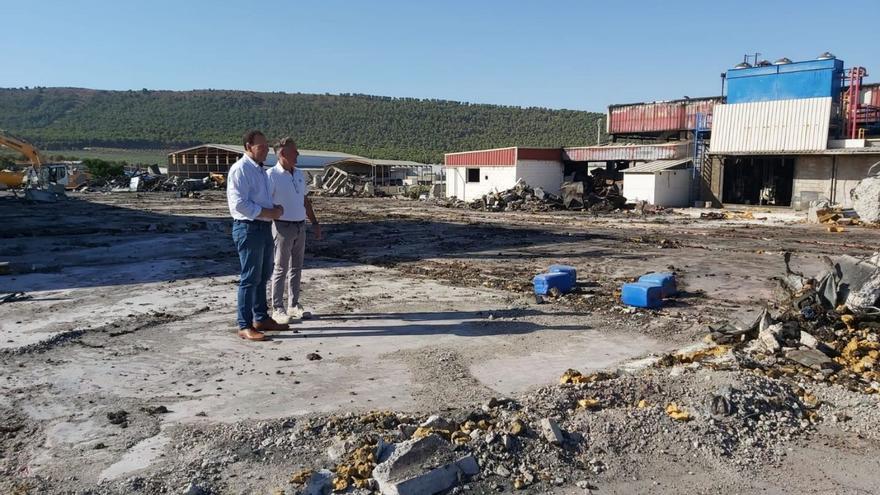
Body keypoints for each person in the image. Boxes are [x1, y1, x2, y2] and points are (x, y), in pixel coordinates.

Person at [227, 130, 290, 341]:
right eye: (260, 147)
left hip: (262, 228)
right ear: (248, 147)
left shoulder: (261, 171)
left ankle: (261, 318)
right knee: (250, 278)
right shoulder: (241, 170)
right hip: (248, 228)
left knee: (263, 276)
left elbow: (260, 200)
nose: (265, 151)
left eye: (266, 147)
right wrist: (269, 212)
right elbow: (239, 204)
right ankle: (244, 325)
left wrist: (274, 208)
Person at [266, 137, 322, 323]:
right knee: (280, 267)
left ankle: (293, 304)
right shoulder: (271, 176)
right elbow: (266, 202)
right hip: (282, 226)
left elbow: (306, 201)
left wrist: (314, 222)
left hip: (300, 225)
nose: (298, 154)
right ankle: (277, 308)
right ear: (282, 154)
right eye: (294, 151)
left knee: (296, 267)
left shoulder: (299, 174)